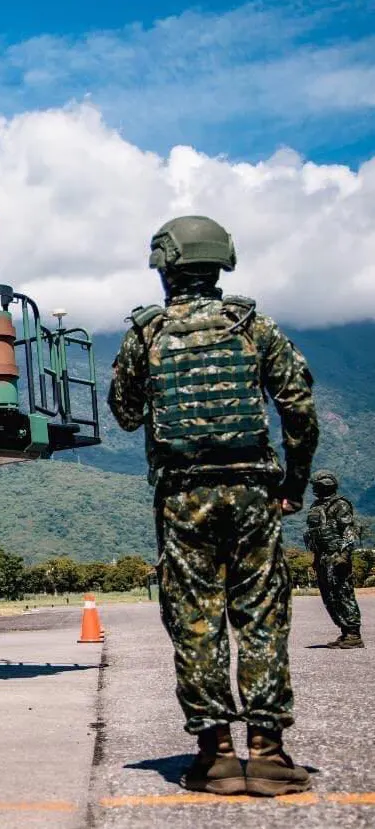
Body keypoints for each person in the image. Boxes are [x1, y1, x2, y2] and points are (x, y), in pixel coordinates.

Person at [107, 215, 319, 797]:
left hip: (182, 495)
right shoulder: (256, 327)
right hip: (254, 489)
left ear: (164, 267)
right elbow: (299, 411)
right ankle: (270, 752)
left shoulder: (144, 336)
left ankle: (216, 754)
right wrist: (293, 485)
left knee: (196, 617)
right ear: (221, 261)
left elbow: (125, 413)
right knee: (260, 615)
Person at [304, 470, 363, 648]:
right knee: (329, 596)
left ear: (325, 485)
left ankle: (353, 634)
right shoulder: (316, 506)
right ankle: (345, 632)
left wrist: (344, 554)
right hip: (322, 557)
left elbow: (349, 530)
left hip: (337, 555)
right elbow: (315, 534)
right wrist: (315, 558)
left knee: (343, 593)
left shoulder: (340, 505)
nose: (314, 488)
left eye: (317, 485)